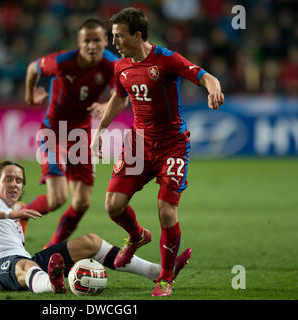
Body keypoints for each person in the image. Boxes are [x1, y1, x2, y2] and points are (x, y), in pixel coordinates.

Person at [90, 7, 224, 297]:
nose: (114, 43)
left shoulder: (166, 59)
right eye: (113, 36)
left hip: (172, 145)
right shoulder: (121, 66)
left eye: (119, 36)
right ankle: (137, 236)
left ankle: (165, 278)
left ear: (137, 36)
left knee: (166, 211)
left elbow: (205, 76)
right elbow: (119, 96)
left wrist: (213, 87)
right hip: (138, 144)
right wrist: (99, 130)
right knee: (113, 205)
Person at [0, 160, 191, 293]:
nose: (14, 184)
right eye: (8, 179)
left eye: (19, 180)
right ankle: (52, 284)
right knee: (24, 263)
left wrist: (16, 215)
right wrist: (12, 213)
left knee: (91, 242)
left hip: (24, 263)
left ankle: (158, 272)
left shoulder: (14, 209)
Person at [24, 18, 127, 248]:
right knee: (58, 198)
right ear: (79, 43)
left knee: (81, 202)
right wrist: (30, 96)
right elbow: (33, 68)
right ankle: (21, 215)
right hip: (52, 133)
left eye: (97, 40)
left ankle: (51, 248)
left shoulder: (112, 64)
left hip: (81, 136)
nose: (92, 45)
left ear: (105, 42)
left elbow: (121, 95)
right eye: (87, 41)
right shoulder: (61, 62)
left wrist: (104, 107)